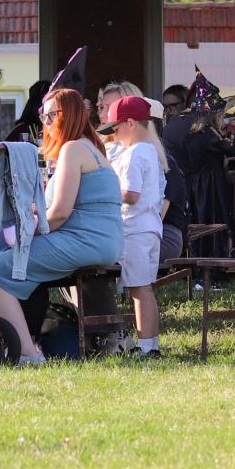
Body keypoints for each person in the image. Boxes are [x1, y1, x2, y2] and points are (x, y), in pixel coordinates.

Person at [0, 89, 124, 363]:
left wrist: (25, 231)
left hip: (85, 241)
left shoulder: (73, 149)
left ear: (69, 115)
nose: (45, 122)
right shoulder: (90, 147)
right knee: (0, 266)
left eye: (51, 115)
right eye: (43, 116)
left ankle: (28, 353)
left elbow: (58, 215)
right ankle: (27, 345)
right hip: (101, 241)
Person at [99, 96, 166, 358]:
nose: (113, 135)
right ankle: (152, 343)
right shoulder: (149, 151)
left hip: (134, 228)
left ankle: (146, 346)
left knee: (139, 290)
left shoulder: (134, 154)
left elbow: (131, 195)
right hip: (149, 228)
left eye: (115, 129)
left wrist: (106, 191)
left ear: (130, 123)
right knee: (145, 289)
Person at [165, 70, 235, 258]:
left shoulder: (174, 125)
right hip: (203, 190)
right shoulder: (201, 129)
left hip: (180, 188)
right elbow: (231, 150)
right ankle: (209, 264)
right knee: (209, 233)